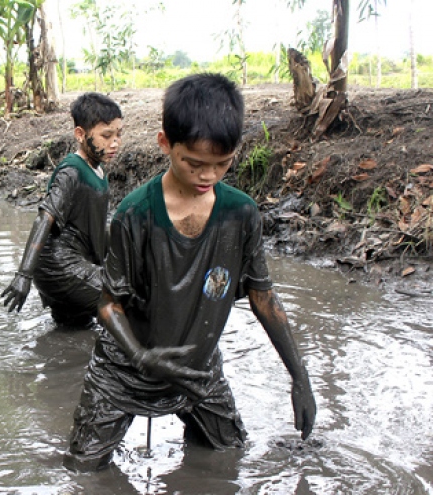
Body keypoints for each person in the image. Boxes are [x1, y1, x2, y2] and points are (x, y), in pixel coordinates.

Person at [62, 73, 317, 471]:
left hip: (198, 371)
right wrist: (142, 356)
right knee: (81, 473)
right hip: (123, 370)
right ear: (166, 143)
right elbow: (109, 306)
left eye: (222, 164)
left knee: (229, 457)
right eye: (194, 163)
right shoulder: (135, 215)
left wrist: (299, 378)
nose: (208, 176)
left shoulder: (242, 214)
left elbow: (263, 298)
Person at [0, 93, 122, 327]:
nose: (114, 142)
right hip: (61, 267)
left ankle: (61, 361)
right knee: (125, 302)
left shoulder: (97, 170)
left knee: (76, 330)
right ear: (80, 134)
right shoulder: (72, 171)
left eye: (118, 134)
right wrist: (23, 274)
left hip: (66, 266)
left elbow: (92, 226)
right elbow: (45, 217)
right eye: (106, 135)